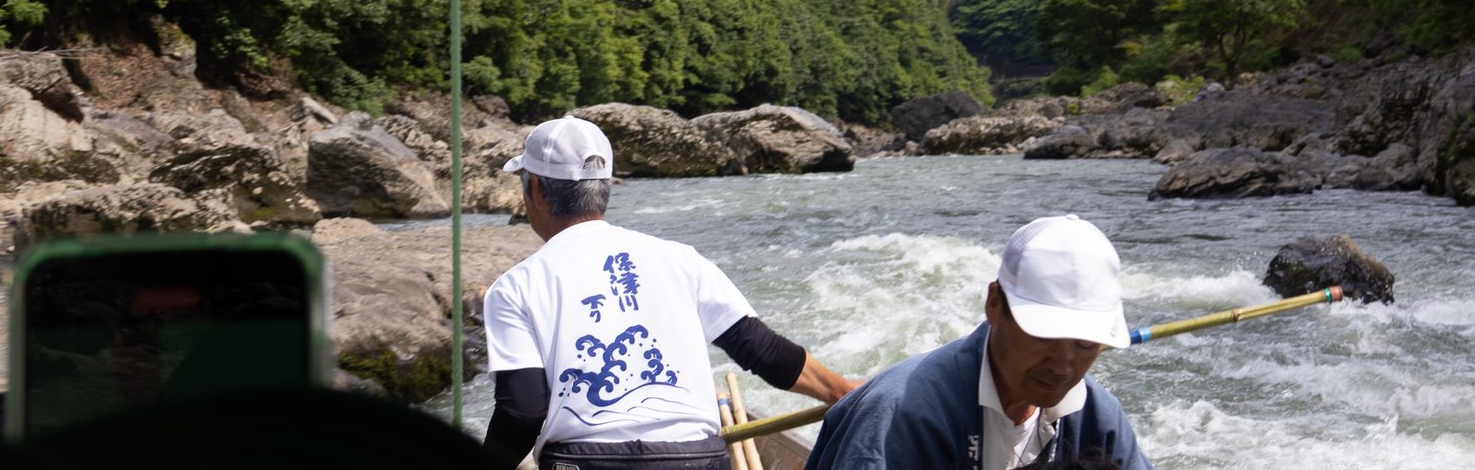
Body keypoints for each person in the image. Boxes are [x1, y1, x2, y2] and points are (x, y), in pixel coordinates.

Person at [483, 115, 859, 470]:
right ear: (604, 188)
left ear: (534, 189)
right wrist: (839, 391)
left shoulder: (516, 286)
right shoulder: (682, 259)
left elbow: (523, 411)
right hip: (697, 459)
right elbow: (763, 351)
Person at [804, 215, 1154, 470]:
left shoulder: (1097, 416)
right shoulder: (902, 415)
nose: (1063, 365)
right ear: (993, 304)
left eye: (1085, 344)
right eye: (1044, 336)